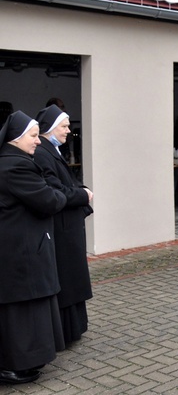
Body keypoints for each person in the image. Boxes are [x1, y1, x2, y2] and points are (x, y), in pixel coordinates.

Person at [0, 111, 67, 384]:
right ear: (16, 138)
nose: (38, 141)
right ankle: (12, 365)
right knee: (20, 313)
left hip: (19, 249)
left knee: (23, 310)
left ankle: (22, 361)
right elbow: (49, 200)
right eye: (32, 135)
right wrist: (62, 194)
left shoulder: (13, 161)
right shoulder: (14, 166)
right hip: (19, 252)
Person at [34, 105, 94, 347]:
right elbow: (54, 190)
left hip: (68, 224)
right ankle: (66, 331)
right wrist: (83, 195)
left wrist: (81, 191)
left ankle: (74, 328)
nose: (69, 130)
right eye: (64, 126)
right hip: (61, 227)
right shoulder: (43, 154)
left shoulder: (52, 150)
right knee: (67, 279)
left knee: (73, 278)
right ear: (50, 128)